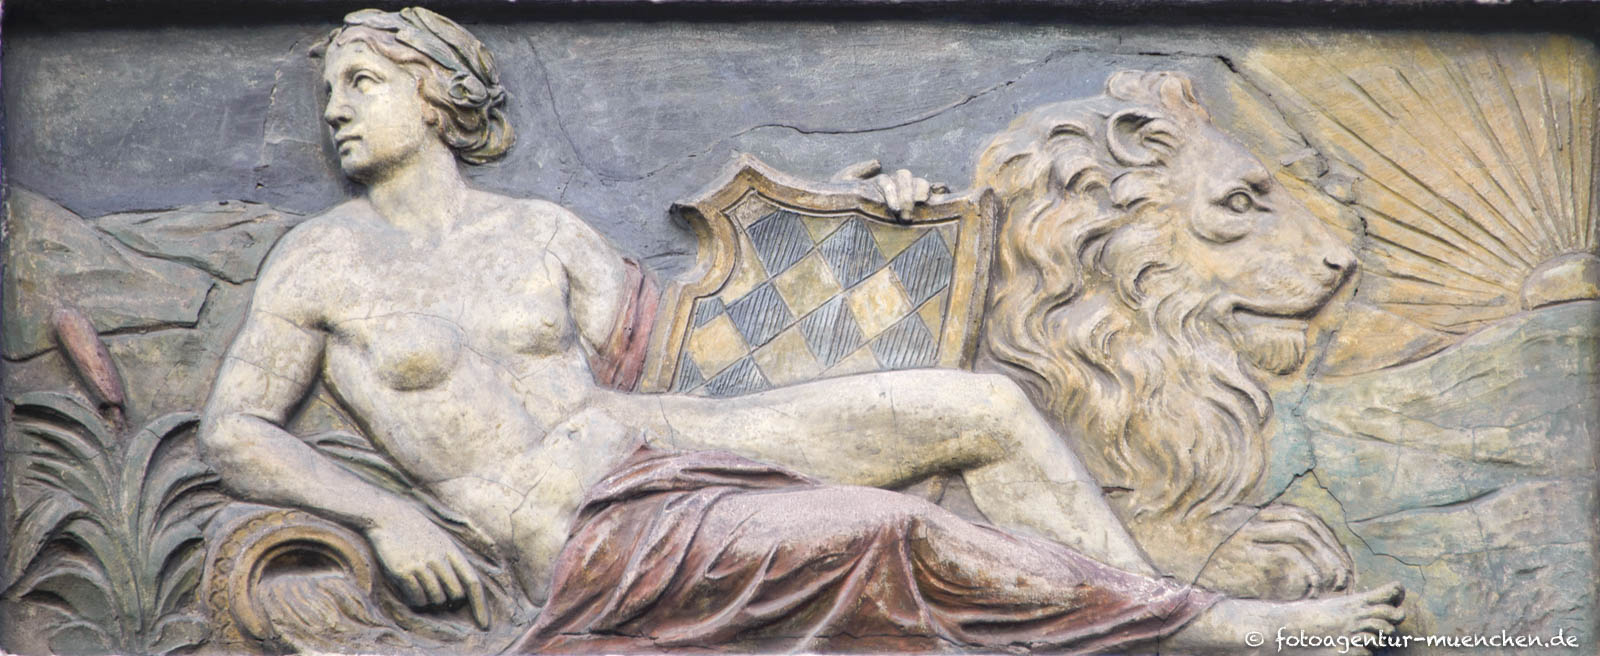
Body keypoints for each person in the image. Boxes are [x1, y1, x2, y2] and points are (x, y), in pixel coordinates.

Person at [199, 7, 1405, 653]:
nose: (334, 108)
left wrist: (865, 217)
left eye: (359, 81)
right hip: (580, 527)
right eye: (330, 88)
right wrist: (388, 513)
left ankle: (1150, 609)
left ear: (439, 96)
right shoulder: (325, 259)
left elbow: (705, 335)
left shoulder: (542, 229)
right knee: (885, 525)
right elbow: (236, 428)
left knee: (984, 407)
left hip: (659, 435)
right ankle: (1209, 632)